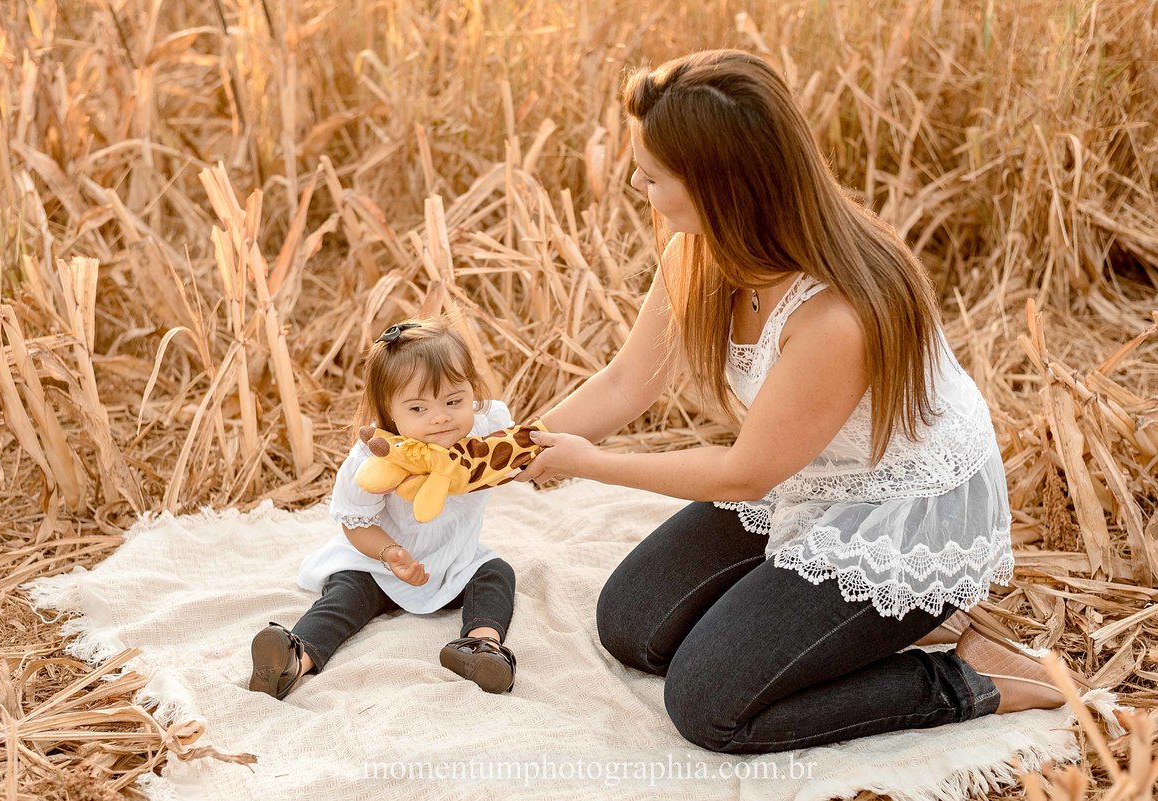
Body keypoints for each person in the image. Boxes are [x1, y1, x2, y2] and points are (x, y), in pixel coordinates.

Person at [517, 49, 1087, 753]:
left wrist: (588, 462)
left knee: (707, 704)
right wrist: (504, 447)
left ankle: (965, 676)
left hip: (897, 510)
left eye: (653, 174)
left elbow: (744, 474)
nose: (635, 181)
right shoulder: (701, 250)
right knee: (632, 624)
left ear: (722, 185)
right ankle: (837, 629)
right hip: (805, 470)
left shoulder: (835, 317)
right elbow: (626, 382)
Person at [249, 317, 519, 699]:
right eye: (418, 408)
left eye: (454, 401)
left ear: (472, 393)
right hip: (377, 564)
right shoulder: (375, 458)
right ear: (390, 413)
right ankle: (294, 660)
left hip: (453, 560)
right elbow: (356, 522)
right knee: (344, 599)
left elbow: (513, 457)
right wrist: (390, 553)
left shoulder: (485, 430)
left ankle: (482, 647)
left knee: (495, 574)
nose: (440, 416)